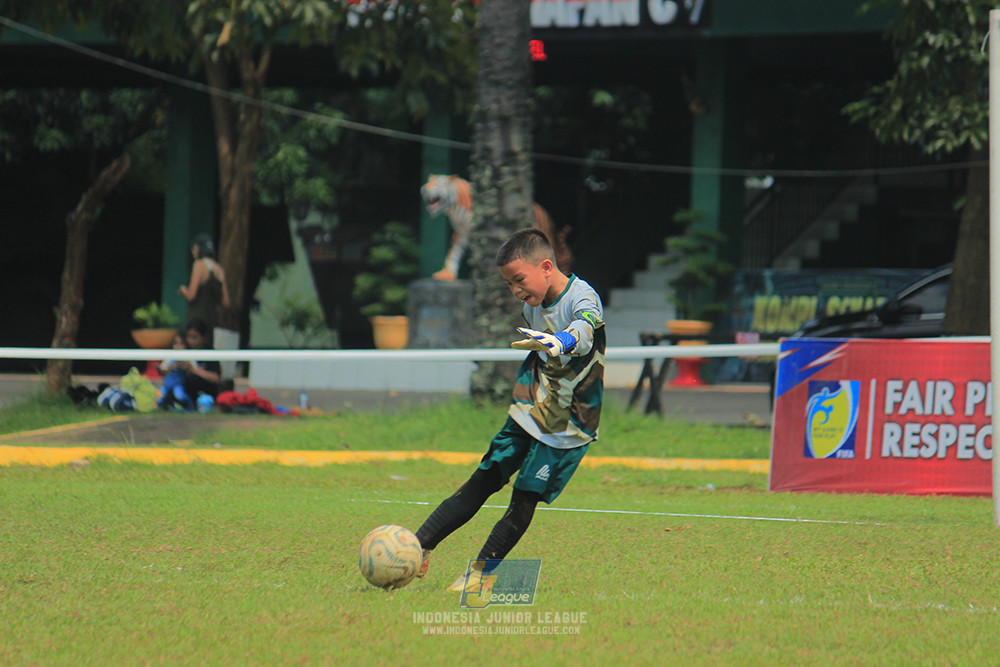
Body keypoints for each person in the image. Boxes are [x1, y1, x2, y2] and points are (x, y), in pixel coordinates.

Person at [414, 228, 605, 592]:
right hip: (530, 405)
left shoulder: (582, 296)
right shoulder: (531, 305)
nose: (516, 291)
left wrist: (563, 339)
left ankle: (480, 577)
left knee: (524, 498)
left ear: (545, 267)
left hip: (568, 420)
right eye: (509, 284)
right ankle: (418, 546)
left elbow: (586, 328)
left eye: (519, 280)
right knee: (484, 477)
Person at [179, 233, 230, 335]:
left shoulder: (199, 265)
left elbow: (191, 296)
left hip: (197, 322)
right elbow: (226, 302)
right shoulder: (219, 269)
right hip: (212, 322)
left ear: (196, 248)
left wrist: (184, 292)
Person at [178, 318, 222, 405]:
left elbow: (216, 378)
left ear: (203, 337)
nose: (190, 341)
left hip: (205, 389)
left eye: (194, 337)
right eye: (188, 337)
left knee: (193, 380)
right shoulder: (184, 350)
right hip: (183, 388)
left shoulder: (209, 352)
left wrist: (193, 370)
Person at [157, 330, 194, 411]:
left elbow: (194, 370)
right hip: (167, 384)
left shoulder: (188, 357)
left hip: (178, 384)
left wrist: (187, 367)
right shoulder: (170, 357)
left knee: (180, 395)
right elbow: (163, 371)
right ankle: (163, 407)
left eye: (181, 344)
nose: (178, 347)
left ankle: (190, 405)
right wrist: (170, 367)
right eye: (175, 344)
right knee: (159, 398)